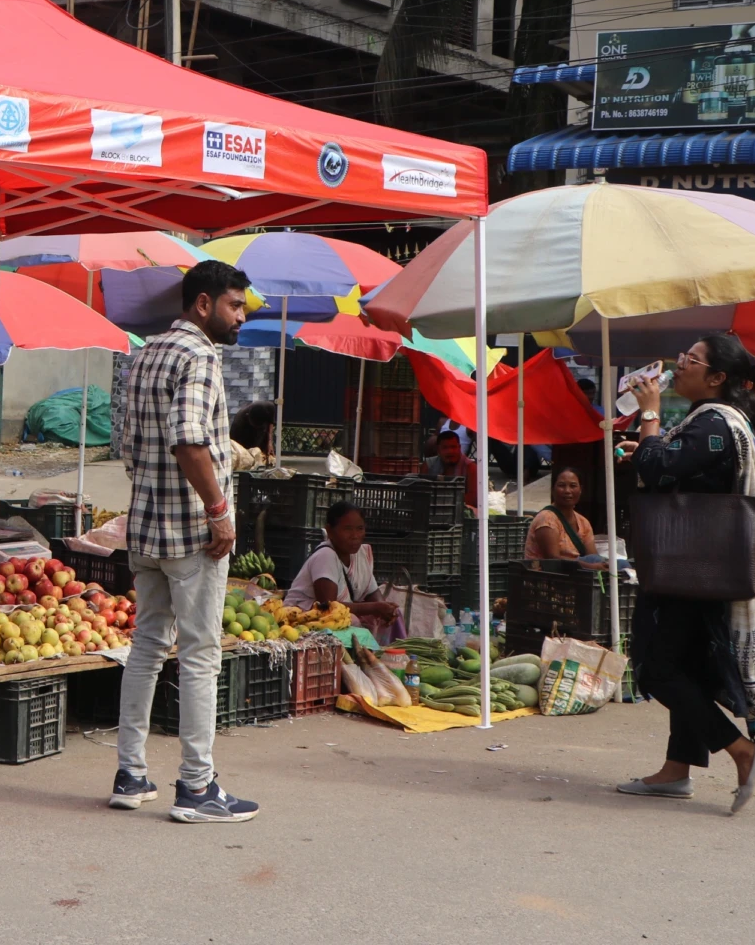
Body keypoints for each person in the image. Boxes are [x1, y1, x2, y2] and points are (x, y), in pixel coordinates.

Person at [616, 333, 755, 812]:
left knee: (656, 668)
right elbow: (668, 465)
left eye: (690, 360)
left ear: (717, 377)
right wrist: (642, 445)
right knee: (687, 669)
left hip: (689, 569)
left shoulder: (716, 426)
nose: (679, 365)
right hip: (699, 567)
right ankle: (676, 771)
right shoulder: (714, 423)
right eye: (682, 356)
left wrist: (649, 415)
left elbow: (662, 470)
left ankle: (742, 752)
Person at [111, 259, 258, 823]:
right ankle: (197, 787)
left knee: (147, 647)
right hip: (192, 534)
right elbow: (190, 440)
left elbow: (127, 445)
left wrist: (153, 494)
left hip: (146, 528)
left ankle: (131, 774)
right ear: (203, 303)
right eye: (234, 305)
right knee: (200, 653)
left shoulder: (146, 352)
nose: (241, 316)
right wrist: (218, 510)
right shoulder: (198, 355)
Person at [284, 502, 399, 630]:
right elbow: (328, 607)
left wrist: (385, 608)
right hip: (301, 616)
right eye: (347, 529)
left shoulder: (360, 554)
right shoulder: (325, 555)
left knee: (388, 618)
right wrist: (374, 608)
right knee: (353, 621)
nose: (355, 536)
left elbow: (373, 592)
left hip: (332, 615)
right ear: (329, 531)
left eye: (360, 528)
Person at [526, 466, 609, 569]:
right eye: (561, 485)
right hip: (550, 575)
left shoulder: (583, 522)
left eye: (573, 486)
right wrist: (591, 567)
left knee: (620, 564)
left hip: (576, 573)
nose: (567, 491)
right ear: (553, 489)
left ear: (580, 490)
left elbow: (591, 555)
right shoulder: (546, 518)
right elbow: (552, 560)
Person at [424, 429, 483, 509]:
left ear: (459, 447)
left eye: (453, 447)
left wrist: (445, 502)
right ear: (438, 450)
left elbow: (473, 499)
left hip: (460, 510)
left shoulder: (470, 467)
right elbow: (422, 494)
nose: (450, 451)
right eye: (445, 448)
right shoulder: (428, 465)